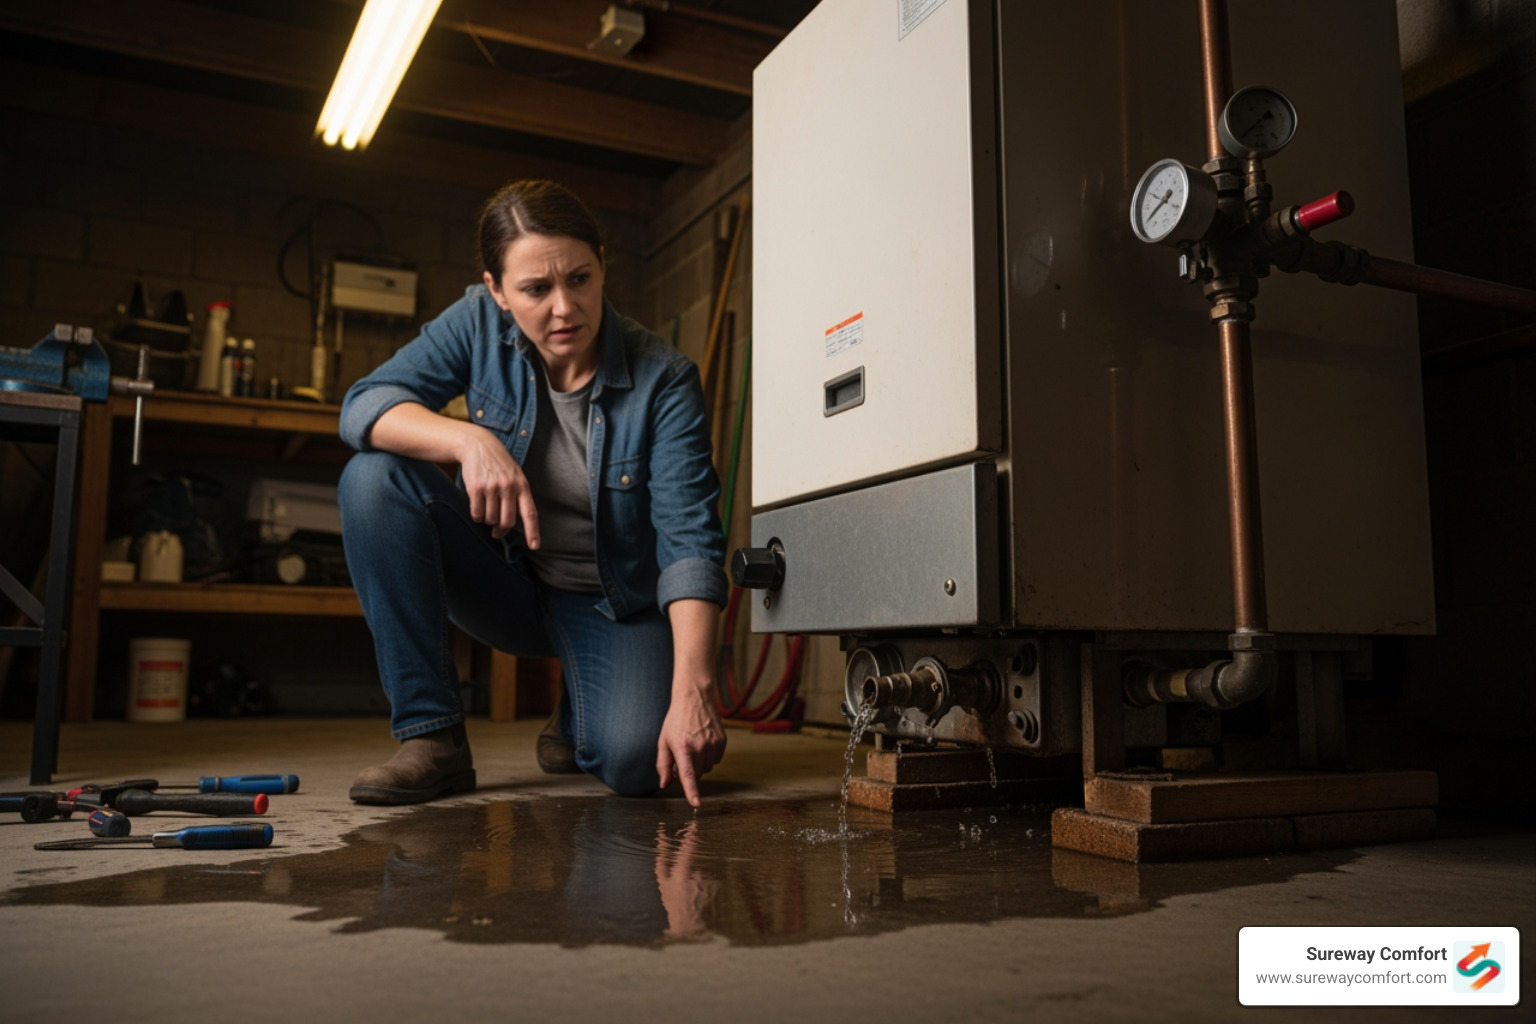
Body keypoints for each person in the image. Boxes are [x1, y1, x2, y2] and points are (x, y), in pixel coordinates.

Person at [337, 179, 728, 808]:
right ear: (496, 291)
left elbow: (690, 542)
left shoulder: (665, 380)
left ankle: (581, 711)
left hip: (610, 602)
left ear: (603, 264)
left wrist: (695, 692)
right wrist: (468, 440)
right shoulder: (474, 323)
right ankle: (432, 738)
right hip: (506, 581)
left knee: (637, 766)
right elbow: (365, 406)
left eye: (580, 278)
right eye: (535, 290)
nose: (565, 308)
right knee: (371, 478)